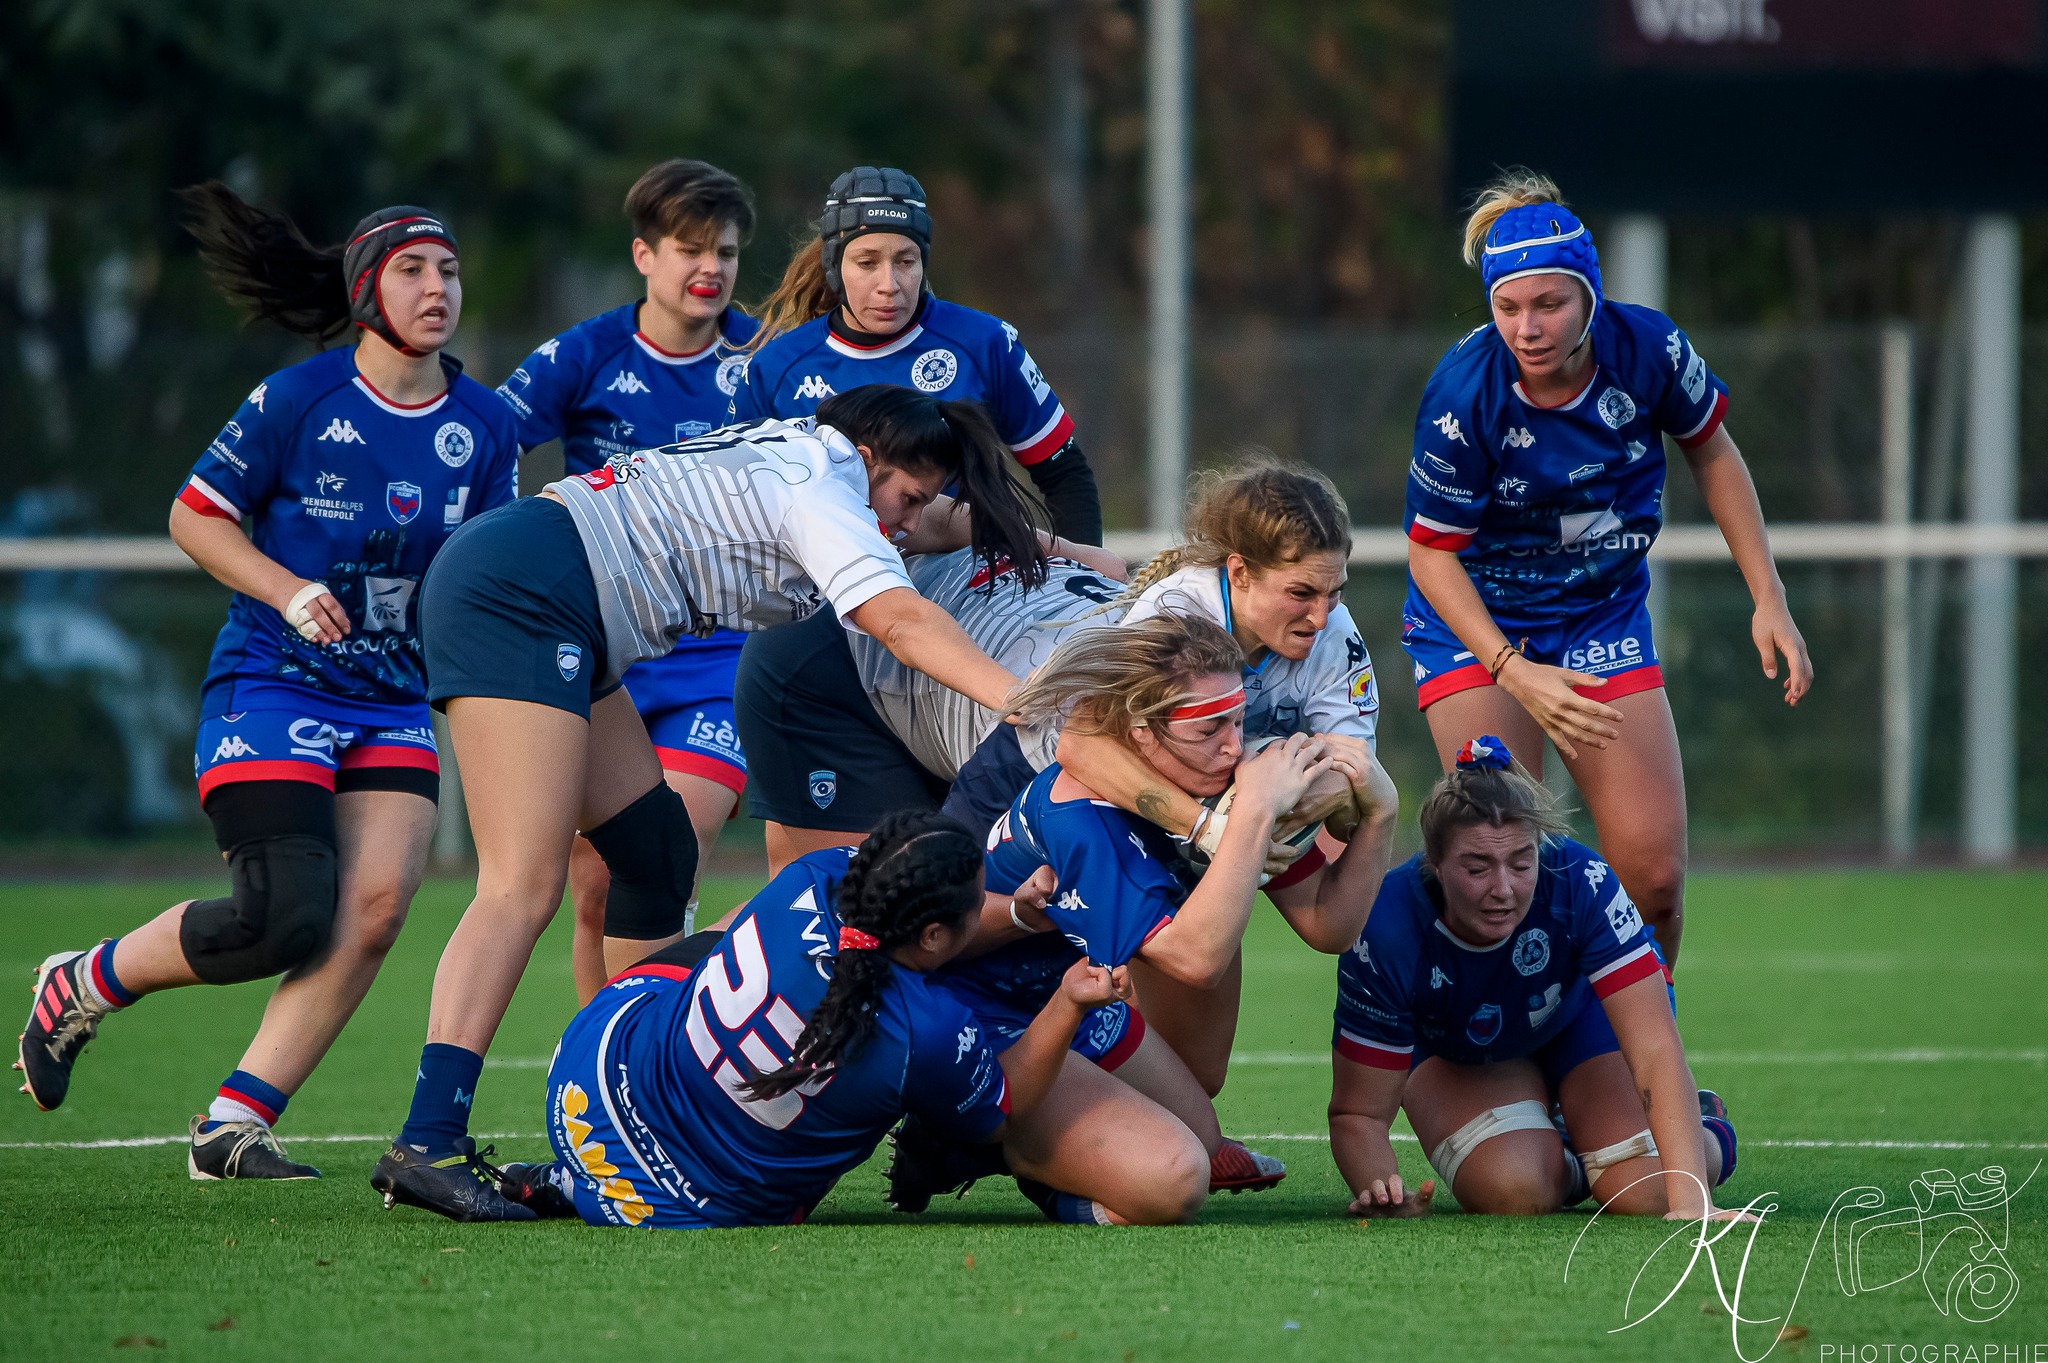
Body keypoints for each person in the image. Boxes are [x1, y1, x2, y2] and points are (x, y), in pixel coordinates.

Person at [370, 385, 1051, 1221]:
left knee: (655, 852)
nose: (908, 524)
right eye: (905, 499)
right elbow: (898, 620)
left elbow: (941, 524)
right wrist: (1023, 698)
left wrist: (1071, 554)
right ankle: (427, 1137)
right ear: (870, 459)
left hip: (545, 582)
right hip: (523, 587)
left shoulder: (823, 463)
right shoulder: (822, 485)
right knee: (522, 882)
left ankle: (644, 1093)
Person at [15, 184, 518, 1182]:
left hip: (390, 699)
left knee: (374, 911)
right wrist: (289, 591)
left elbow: (481, 569)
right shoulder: (298, 399)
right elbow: (194, 516)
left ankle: (232, 1124)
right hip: (273, 683)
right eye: (413, 270)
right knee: (281, 911)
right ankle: (82, 982)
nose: (437, 287)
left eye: (449, 270)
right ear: (367, 289)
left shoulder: (487, 424)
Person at [1401, 170, 1812, 966]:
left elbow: (1713, 451)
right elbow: (1431, 551)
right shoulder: (1463, 396)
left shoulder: (1648, 347)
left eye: (1549, 303)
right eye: (1508, 307)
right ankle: (1509, 1078)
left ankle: (1637, 1077)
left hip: (1600, 613)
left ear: (1591, 294)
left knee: (1654, 878)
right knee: (1498, 874)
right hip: (1477, 625)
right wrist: (1514, 671)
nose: (1527, 327)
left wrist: (1770, 596)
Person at [890, 614, 1398, 1216]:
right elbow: (1195, 959)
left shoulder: (1205, 778)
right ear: (1142, 735)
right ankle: (972, 1141)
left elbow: (1330, 924)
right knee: (1176, 1180)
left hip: (1058, 1003)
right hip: (977, 1021)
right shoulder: (1082, 819)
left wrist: (1380, 813)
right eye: (1211, 728)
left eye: (1238, 720)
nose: (1236, 746)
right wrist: (1255, 816)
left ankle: (1033, 1143)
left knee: (1203, 1139)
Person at [481, 812, 1175, 1229]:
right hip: (674, 1205)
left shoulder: (816, 873)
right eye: (977, 907)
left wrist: (1019, 912)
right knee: (854, 1136)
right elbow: (1005, 1106)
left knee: (722, 943)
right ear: (933, 937)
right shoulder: (922, 1028)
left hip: (585, 1077)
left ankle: (571, 1178)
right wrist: (1068, 1000)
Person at [729, 166, 1108, 871]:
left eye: (906, 260)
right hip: (827, 650)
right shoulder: (778, 369)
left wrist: (1071, 581)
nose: (890, 281)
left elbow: (1063, 471)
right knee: (820, 882)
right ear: (836, 266)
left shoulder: (981, 342)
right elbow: (749, 526)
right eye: (867, 261)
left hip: (953, 636)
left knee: (938, 873)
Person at [495, 159, 760, 1002]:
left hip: (720, 660)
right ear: (645, 255)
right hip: (609, 657)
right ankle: (598, 1069)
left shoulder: (764, 361)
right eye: (690, 248)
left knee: (666, 852)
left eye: (724, 250)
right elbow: (482, 440)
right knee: (593, 879)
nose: (710, 268)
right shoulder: (589, 353)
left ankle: (664, 1060)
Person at [1327, 738, 1742, 1222]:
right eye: (1477, 868)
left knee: (1647, 1192)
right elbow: (1359, 1114)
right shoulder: (1384, 926)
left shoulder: (1580, 879)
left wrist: (1694, 1202)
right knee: (1515, 1189)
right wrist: (1380, 1188)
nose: (1502, 889)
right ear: (1435, 864)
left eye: (1522, 864)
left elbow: (1654, 1047)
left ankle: (1705, 1124)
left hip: (1578, 1023)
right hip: (1460, 1055)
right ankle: (1572, 1147)